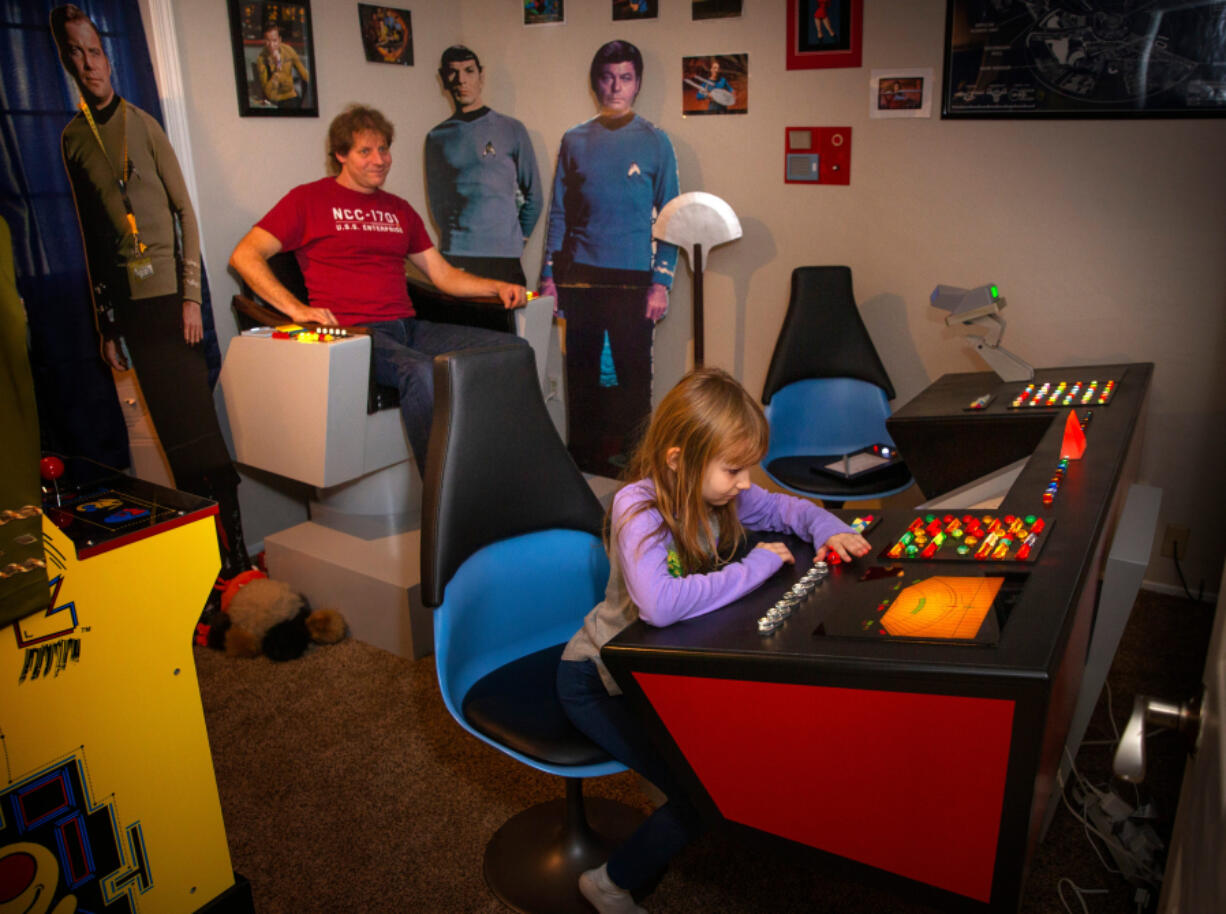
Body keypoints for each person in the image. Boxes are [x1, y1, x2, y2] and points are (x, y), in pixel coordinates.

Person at [556, 367, 871, 913]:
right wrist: (754, 567)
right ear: (678, 459)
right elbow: (658, 604)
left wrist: (830, 529)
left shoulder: (722, 494)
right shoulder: (638, 508)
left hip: (663, 670)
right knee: (703, 789)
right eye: (734, 468)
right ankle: (608, 883)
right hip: (598, 680)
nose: (746, 482)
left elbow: (787, 509)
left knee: (740, 752)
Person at [52, 3, 251, 581]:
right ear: (66, 61)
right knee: (175, 445)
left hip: (172, 305)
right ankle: (213, 565)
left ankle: (237, 556)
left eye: (94, 51)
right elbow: (92, 240)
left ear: (107, 56)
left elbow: (185, 212)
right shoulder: (72, 139)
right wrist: (105, 324)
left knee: (202, 437)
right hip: (131, 313)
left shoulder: (143, 123)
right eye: (75, 53)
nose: (88, 64)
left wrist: (191, 297)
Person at [229, 103, 528, 471]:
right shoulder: (308, 200)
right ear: (340, 155)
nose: (379, 159)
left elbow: (443, 275)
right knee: (421, 371)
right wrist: (296, 310)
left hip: (409, 327)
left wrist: (496, 286)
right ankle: (445, 495)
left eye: (384, 149)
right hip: (355, 334)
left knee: (513, 350)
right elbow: (245, 255)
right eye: (365, 151)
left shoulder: (399, 209)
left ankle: (509, 467)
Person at [540, 39, 679, 478]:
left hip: (634, 283)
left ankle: (635, 475)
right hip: (580, 280)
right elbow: (559, 211)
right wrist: (550, 277)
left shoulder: (657, 141)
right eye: (606, 77)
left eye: (625, 78)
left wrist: (662, 282)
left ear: (637, 84)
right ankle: (583, 471)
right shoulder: (575, 139)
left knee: (632, 383)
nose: (615, 86)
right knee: (583, 381)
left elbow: (671, 216)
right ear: (595, 82)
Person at [425, 45, 542, 285]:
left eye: (469, 71)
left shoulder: (512, 129)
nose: (461, 80)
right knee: (460, 323)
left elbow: (534, 195)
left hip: (504, 258)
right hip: (457, 255)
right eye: (453, 73)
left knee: (508, 323)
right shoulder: (437, 137)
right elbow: (438, 202)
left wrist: (519, 239)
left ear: (482, 76)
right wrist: (456, 238)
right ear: (443, 79)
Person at [255, 22, 309, 109]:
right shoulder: (262, 59)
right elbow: (268, 93)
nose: (271, 45)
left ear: (280, 40)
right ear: (264, 41)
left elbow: (305, 75)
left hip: (291, 98)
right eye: (268, 41)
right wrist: (277, 66)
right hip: (273, 99)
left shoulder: (288, 51)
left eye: (274, 40)